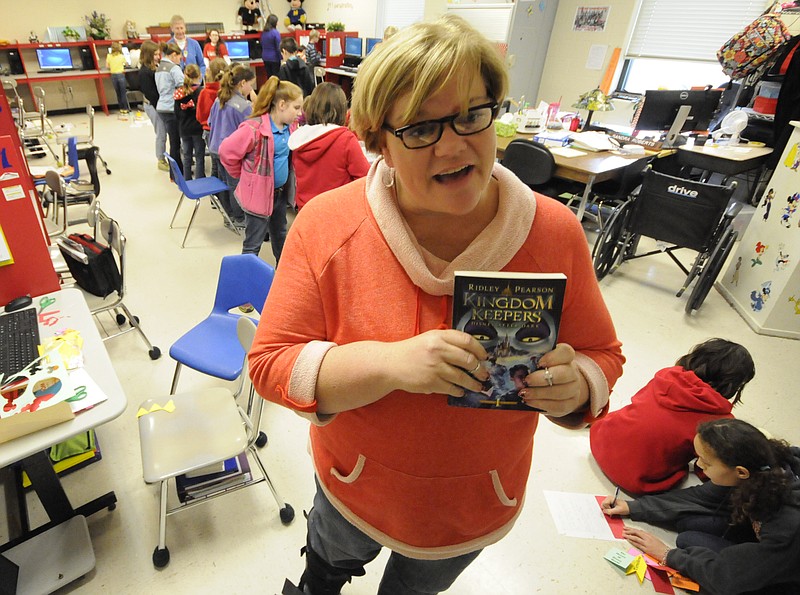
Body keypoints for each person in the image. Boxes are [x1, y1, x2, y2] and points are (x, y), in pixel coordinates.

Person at [247, 15, 624, 595]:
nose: (455, 144)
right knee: (327, 566)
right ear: (377, 143)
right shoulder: (328, 225)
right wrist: (392, 366)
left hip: (472, 503)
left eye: (473, 113)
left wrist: (578, 386)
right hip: (353, 484)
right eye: (421, 127)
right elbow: (271, 362)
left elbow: (602, 352)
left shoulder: (554, 232)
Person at [602, 419, 800, 595]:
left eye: (706, 462)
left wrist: (667, 555)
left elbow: (727, 579)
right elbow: (702, 496)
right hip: (773, 545)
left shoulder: (787, 529)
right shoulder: (763, 464)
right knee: (690, 525)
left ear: (741, 472)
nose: (699, 465)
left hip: (788, 573)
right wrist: (633, 507)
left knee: (690, 542)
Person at [590, 338, 755, 495]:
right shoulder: (720, 420)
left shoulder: (666, 376)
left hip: (600, 441)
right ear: (734, 385)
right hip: (639, 480)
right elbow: (710, 464)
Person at [219, 77, 302, 260]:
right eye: (296, 108)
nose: (299, 113)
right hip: (258, 195)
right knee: (252, 244)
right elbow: (226, 151)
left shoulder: (290, 127)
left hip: (279, 194)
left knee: (280, 235)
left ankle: (283, 278)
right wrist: (243, 176)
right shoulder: (254, 129)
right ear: (281, 105)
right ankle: (247, 282)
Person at [288, 82, 368, 209]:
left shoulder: (298, 139)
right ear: (341, 110)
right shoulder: (345, 139)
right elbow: (365, 178)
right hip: (336, 211)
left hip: (306, 210)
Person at [208, 64, 256, 229]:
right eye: (251, 84)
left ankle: (228, 216)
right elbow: (250, 132)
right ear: (243, 83)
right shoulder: (244, 106)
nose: (252, 88)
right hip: (230, 154)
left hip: (215, 147)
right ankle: (239, 219)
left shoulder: (219, 98)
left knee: (224, 183)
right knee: (236, 186)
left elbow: (209, 122)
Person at [138, 40, 168, 170]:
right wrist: (162, 108)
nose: (158, 57)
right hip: (153, 106)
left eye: (158, 54)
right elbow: (151, 94)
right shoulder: (144, 72)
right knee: (161, 133)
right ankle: (160, 159)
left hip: (159, 104)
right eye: (155, 54)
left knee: (164, 132)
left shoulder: (155, 67)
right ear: (148, 55)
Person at [155, 43, 184, 175]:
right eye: (179, 57)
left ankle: (175, 171)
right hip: (172, 108)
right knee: (175, 142)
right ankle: (176, 173)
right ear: (173, 55)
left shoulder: (159, 68)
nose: (180, 60)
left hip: (161, 107)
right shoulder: (174, 68)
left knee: (172, 139)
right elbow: (182, 86)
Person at [197, 58, 228, 178]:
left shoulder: (204, 92)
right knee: (225, 165)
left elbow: (199, 116)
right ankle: (223, 193)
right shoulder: (226, 93)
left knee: (215, 165)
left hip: (208, 131)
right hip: (224, 132)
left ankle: (216, 194)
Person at [174, 64, 205, 180]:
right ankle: (200, 180)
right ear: (199, 76)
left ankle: (187, 179)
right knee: (199, 156)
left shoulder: (179, 93)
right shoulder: (201, 92)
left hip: (184, 129)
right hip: (197, 129)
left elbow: (176, 113)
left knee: (187, 156)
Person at [169, 14, 205, 79]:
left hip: (193, 83)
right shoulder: (168, 45)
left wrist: (199, 79)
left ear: (185, 28)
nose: (180, 31)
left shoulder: (194, 44)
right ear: (172, 29)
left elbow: (202, 65)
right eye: (177, 28)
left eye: (181, 28)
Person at [107, 41, 130, 114]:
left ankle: (121, 108)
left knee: (118, 93)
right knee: (123, 92)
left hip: (113, 75)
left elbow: (107, 66)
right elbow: (126, 64)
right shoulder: (121, 56)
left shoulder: (109, 56)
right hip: (121, 75)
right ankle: (125, 108)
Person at [261, 14, 282, 78]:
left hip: (265, 57)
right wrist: (281, 58)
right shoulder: (275, 33)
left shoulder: (264, 32)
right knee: (275, 77)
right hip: (274, 58)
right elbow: (278, 47)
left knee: (269, 76)